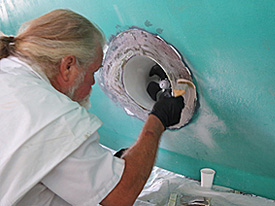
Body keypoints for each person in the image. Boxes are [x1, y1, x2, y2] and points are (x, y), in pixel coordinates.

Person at [0, 9, 184, 206]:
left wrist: (98, 164)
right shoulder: (52, 114)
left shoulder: (10, 71)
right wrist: (157, 121)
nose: (92, 84)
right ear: (68, 66)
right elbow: (120, 196)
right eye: (93, 72)